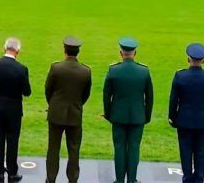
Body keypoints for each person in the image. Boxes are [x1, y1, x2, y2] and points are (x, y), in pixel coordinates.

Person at [103, 37, 153, 183]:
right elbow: (149, 97)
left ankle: (119, 180)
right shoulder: (144, 71)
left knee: (119, 148)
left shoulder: (114, 70)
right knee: (134, 148)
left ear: (121, 52)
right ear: (135, 53)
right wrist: (146, 116)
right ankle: (131, 180)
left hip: (118, 116)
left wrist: (108, 114)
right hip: (138, 116)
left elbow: (106, 96)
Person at [169, 43, 204, 183]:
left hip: (184, 121)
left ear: (188, 59)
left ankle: (187, 178)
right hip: (203, 121)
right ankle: (198, 179)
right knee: (200, 152)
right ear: (203, 61)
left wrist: (172, 118)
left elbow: (174, 100)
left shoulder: (180, 76)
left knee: (185, 152)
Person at [45, 37, 92, 183]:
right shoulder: (86, 71)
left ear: (65, 51)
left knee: (53, 149)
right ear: (78, 52)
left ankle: (51, 179)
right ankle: (73, 179)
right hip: (75, 114)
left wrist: (53, 105)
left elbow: (48, 90)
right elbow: (86, 94)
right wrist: (77, 104)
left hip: (56, 114)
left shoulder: (56, 68)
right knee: (74, 149)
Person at [0, 38, 31, 182]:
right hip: (13, 110)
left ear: (4, 48)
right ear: (17, 51)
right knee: (12, 141)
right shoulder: (22, 69)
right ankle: (12, 172)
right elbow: (27, 92)